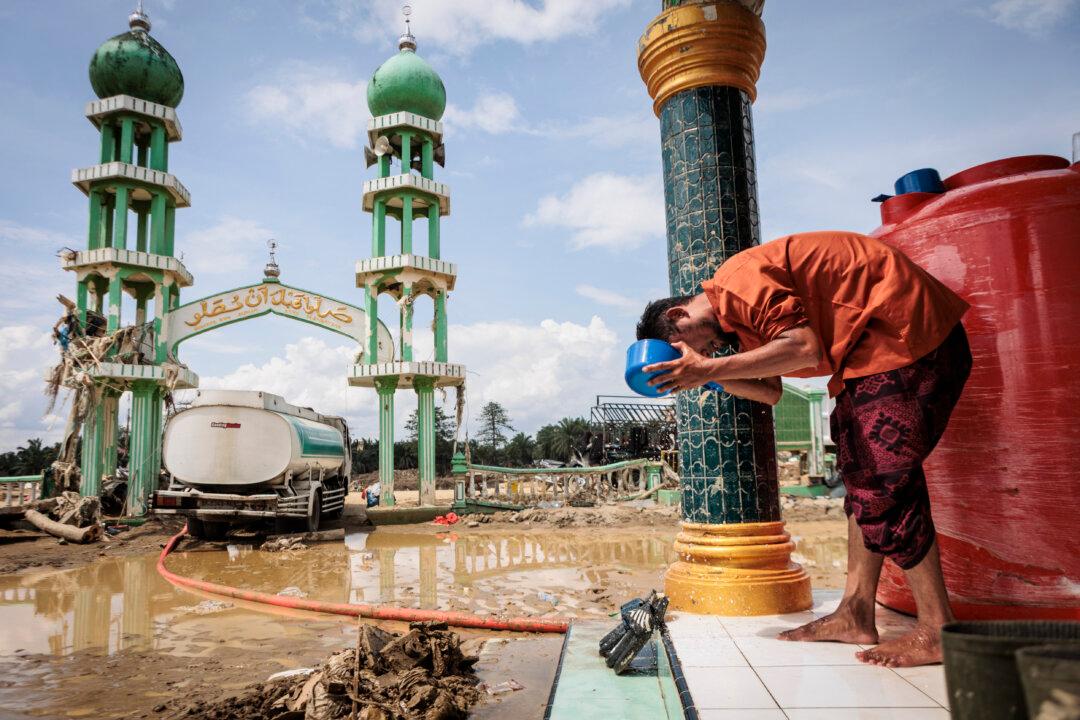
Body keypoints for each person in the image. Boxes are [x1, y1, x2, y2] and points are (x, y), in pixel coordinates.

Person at [636, 230, 971, 668]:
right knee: (860, 478)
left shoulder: (737, 280)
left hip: (904, 335)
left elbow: (803, 347)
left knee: (882, 478)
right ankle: (854, 612)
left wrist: (707, 368)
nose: (709, 352)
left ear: (680, 315)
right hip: (871, 355)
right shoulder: (741, 322)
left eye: (694, 350)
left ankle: (937, 629)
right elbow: (771, 390)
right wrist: (707, 373)